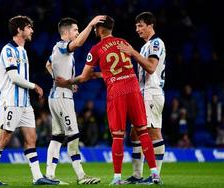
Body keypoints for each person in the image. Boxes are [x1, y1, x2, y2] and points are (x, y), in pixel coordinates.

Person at [55, 15, 161, 185]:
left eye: (96, 28)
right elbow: (115, 69)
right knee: (143, 132)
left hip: (116, 91)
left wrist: (67, 82)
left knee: (118, 136)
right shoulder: (123, 42)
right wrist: (99, 74)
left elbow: (83, 78)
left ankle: (117, 178)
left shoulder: (96, 49)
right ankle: (155, 173)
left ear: (100, 29)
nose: (95, 30)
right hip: (133, 87)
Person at [0, 15, 59, 186]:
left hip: (25, 104)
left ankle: (37, 177)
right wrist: (34, 86)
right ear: (19, 30)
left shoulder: (23, 51)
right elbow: (14, 77)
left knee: (31, 138)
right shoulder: (8, 50)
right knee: (4, 138)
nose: (32, 30)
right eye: (29, 27)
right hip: (11, 102)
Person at [45, 16, 105, 185]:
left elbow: (48, 65)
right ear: (66, 32)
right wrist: (91, 24)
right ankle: (81, 176)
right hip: (62, 98)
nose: (78, 33)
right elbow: (77, 44)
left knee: (57, 137)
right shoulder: (63, 46)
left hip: (56, 95)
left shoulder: (56, 49)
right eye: (75, 30)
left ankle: (49, 176)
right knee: (74, 136)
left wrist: (60, 80)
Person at [117, 11, 166, 184]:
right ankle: (137, 175)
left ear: (150, 25)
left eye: (141, 26)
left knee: (153, 133)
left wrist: (132, 52)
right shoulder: (146, 46)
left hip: (151, 93)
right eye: (136, 26)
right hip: (143, 93)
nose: (137, 29)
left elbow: (151, 67)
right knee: (135, 134)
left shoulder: (155, 44)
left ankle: (155, 176)